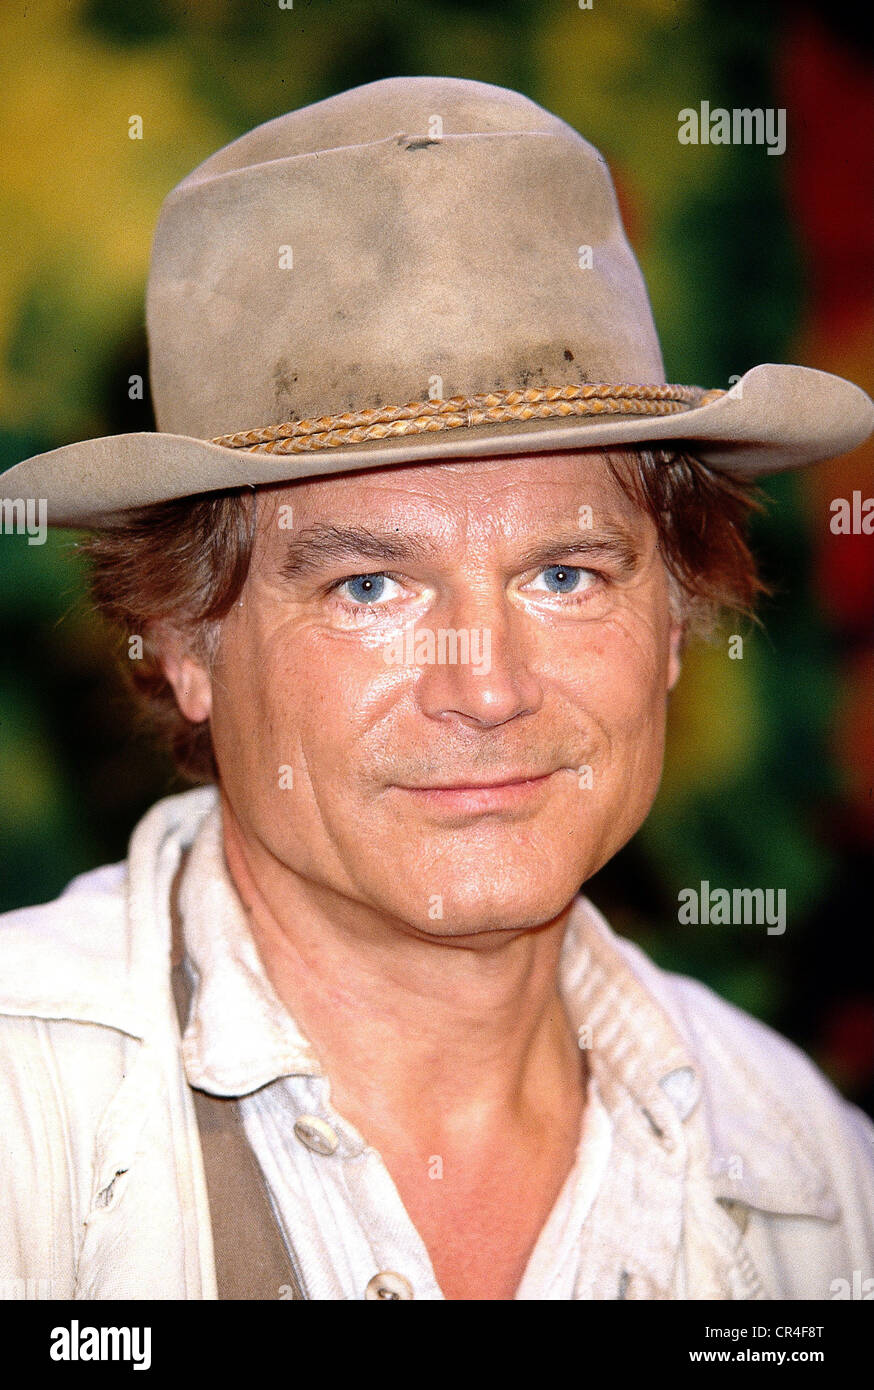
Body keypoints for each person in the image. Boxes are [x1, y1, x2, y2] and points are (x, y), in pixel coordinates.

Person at [1, 76, 872, 1302]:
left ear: (674, 619)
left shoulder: (807, 1172)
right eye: (369, 588)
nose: (487, 688)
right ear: (185, 638)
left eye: (564, 573)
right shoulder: (25, 1127)